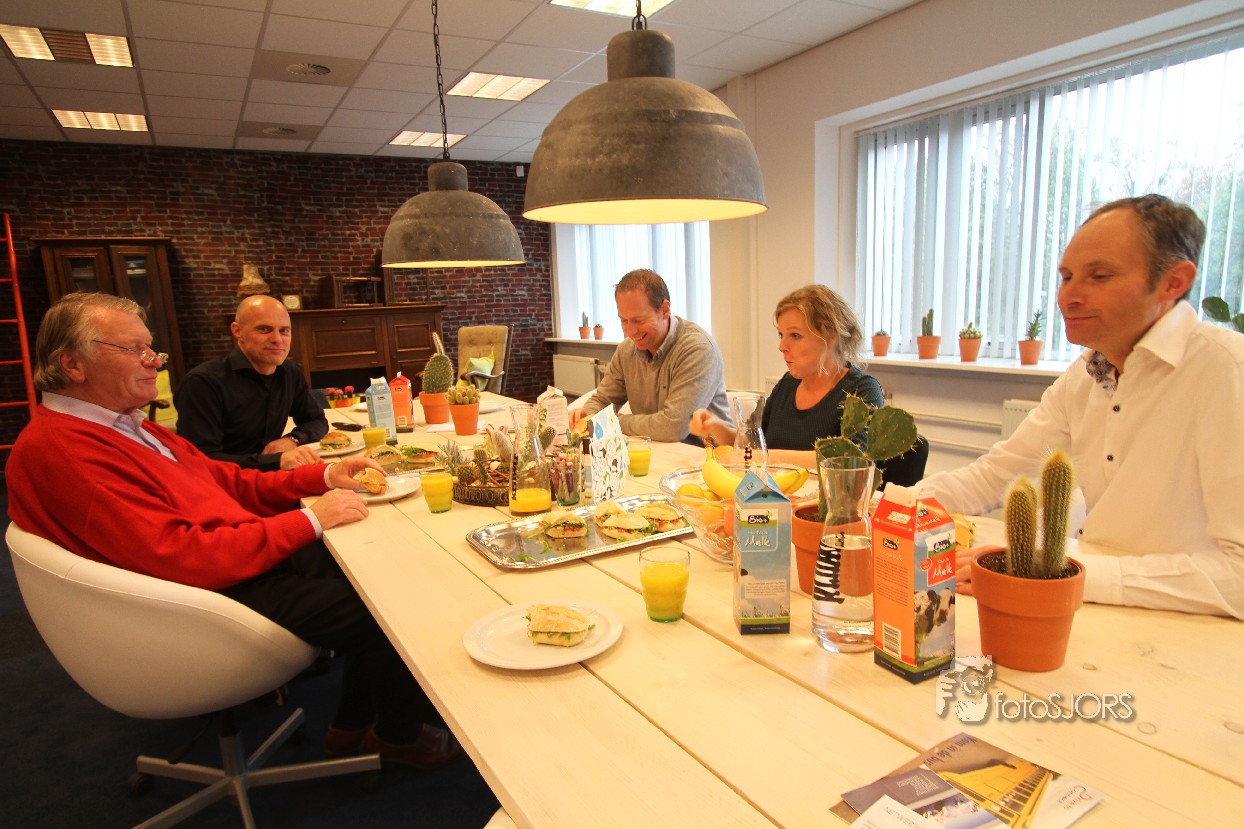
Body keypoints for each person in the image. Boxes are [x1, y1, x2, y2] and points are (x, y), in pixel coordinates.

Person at [7, 292, 464, 768]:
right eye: (133, 349)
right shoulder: (64, 450)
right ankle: (398, 736)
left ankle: (351, 727)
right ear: (71, 364)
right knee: (396, 608)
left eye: (151, 349)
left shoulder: (126, 425)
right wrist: (310, 519)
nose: (152, 362)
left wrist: (324, 475)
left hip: (230, 557)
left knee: (379, 568)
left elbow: (225, 480)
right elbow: (180, 555)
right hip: (203, 600)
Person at [916, 194, 1244, 619]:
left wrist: (1052, 572)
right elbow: (996, 474)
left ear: (1173, 282)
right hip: (1097, 613)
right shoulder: (1085, 374)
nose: (1069, 295)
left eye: (1099, 276)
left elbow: (1238, 576)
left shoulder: (1228, 372)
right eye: (1067, 276)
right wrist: (887, 507)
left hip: (1192, 631)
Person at [690, 284, 885, 468]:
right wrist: (715, 426)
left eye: (795, 336)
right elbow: (750, 441)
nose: (782, 346)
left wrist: (765, 457)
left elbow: (854, 461)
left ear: (830, 335)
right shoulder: (787, 384)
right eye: (781, 335)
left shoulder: (863, 390)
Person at [568, 269, 730, 443]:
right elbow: (603, 400)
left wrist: (616, 422)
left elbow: (673, 428)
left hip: (706, 455)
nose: (630, 331)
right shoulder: (626, 350)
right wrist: (588, 414)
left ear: (665, 310)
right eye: (624, 320)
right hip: (654, 450)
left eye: (639, 320)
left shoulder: (698, 349)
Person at [175, 294, 326, 470]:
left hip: (272, 476)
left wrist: (292, 439)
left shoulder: (290, 372)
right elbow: (201, 460)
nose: (277, 339)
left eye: (284, 330)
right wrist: (275, 461)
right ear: (237, 331)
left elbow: (317, 420)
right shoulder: (202, 383)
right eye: (264, 329)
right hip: (223, 482)